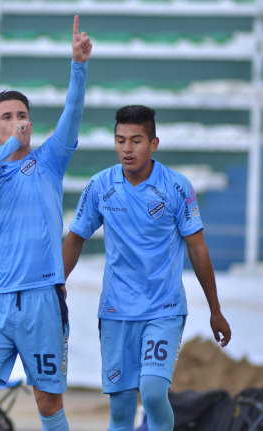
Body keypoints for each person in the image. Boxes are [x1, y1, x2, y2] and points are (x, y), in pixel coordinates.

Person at [0, 15, 91, 431]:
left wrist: (78, 65)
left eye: (23, 115)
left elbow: (74, 109)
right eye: (8, 117)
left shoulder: (48, 160)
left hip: (40, 300)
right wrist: (9, 146)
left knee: (48, 402)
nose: (18, 122)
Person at [62, 105, 232, 431]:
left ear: (153, 144)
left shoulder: (177, 187)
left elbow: (197, 248)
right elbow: (75, 237)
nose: (127, 148)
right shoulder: (100, 186)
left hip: (163, 309)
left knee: (153, 393)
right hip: (115, 313)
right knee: (122, 412)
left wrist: (215, 310)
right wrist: (58, 282)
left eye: (136, 140)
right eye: (120, 140)